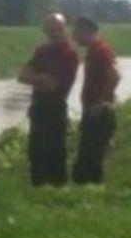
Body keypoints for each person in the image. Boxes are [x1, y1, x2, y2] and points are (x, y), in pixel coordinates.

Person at [17, 13, 80, 186]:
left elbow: (53, 86)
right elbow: (21, 76)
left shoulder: (69, 54)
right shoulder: (42, 50)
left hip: (55, 109)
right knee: (35, 153)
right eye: (50, 29)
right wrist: (41, 79)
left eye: (58, 29)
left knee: (55, 154)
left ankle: (56, 194)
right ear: (45, 31)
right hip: (38, 109)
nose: (55, 33)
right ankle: (38, 192)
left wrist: (35, 78)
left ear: (65, 29)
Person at [71, 16, 121, 184]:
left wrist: (101, 102)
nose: (73, 36)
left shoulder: (101, 51)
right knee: (90, 157)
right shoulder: (94, 50)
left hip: (98, 113)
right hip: (95, 110)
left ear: (87, 32)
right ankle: (91, 194)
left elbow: (115, 76)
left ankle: (91, 196)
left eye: (76, 32)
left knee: (91, 158)